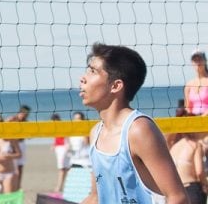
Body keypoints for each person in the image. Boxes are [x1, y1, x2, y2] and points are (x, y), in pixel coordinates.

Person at [79, 42, 188, 204]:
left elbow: (178, 197)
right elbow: (96, 197)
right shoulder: (96, 132)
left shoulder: (138, 129)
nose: (83, 78)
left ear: (116, 86)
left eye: (93, 71)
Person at [168, 131, 207, 204]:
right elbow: (199, 171)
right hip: (192, 189)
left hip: (177, 189)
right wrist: (205, 184)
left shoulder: (174, 147)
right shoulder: (195, 145)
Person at [8, 104, 30, 190]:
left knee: (20, 166)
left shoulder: (26, 122)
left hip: (22, 144)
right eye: (24, 113)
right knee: (13, 167)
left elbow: (30, 136)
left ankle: (18, 186)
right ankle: (12, 185)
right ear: (20, 112)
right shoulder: (12, 119)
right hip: (12, 144)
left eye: (27, 114)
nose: (25, 115)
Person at [50, 113, 70, 194]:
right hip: (59, 148)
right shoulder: (56, 127)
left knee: (63, 168)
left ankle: (59, 187)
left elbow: (67, 137)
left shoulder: (62, 126)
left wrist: (67, 146)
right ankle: (61, 186)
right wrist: (54, 144)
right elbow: (57, 138)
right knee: (64, 168)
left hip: (63, 148)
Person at [184, 50, 208, 116]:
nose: (197, 62)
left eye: (200, 59)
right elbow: (187, 107)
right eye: (195, 60)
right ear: (192, 63)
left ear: (205, 61)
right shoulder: (189, 85)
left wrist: (203, 117)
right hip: (194, 121)